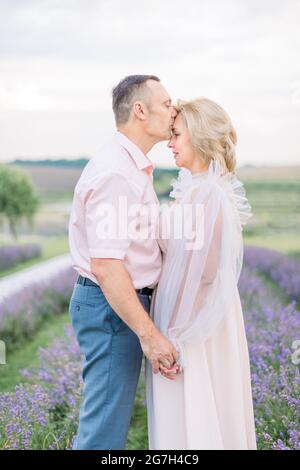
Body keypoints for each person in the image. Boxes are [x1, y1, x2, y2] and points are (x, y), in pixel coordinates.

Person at [69, 75, 179, 450]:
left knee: (107, 424)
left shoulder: (129, 166)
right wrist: (150, 337)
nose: (174, 110)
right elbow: (107, 266)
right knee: (103, 433)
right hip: (113, 307)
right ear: (140, 110)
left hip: (116, 305)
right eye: (166, 103)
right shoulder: (117, 172)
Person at [146, 97, 257, 450]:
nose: (170, 143)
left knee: (194, 416)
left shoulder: (207, 194)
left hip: (194, 327)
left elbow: (205, 275)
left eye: (177, 134)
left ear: (201, 136)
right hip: (190, 319)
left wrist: (175, 337)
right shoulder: (195, 190)